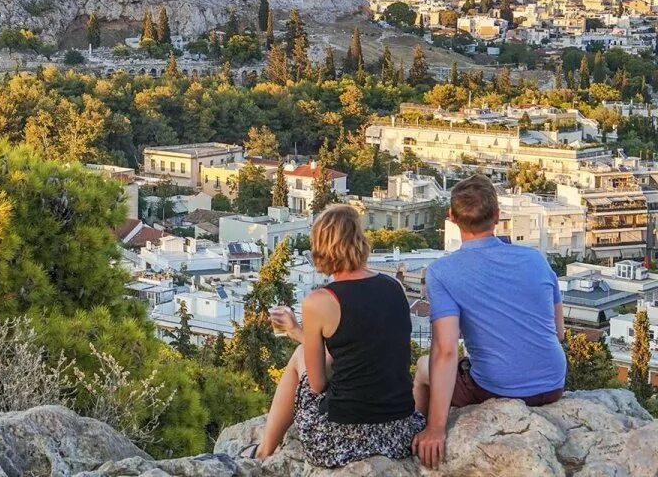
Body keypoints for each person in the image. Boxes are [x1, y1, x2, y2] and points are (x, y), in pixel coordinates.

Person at [240, 204, 425, 467]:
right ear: (360, 240)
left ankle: (264, 450)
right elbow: (361, 346)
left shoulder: (320, 301)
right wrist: (298, 332)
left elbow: (316, 385)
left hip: (340, 440)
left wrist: (297, 335)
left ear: (321, 247)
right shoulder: (394, 287)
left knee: (299, 356)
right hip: (398, 432)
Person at [412, 173, 566, 468]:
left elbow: (446, 351)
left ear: (452, 218)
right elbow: (558, 332)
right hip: (552, 384)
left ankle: (419, 434)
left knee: (422, 368)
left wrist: (437, 428)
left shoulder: (442, 272)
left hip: (495, 387)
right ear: (497, 216)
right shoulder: (535, 259)